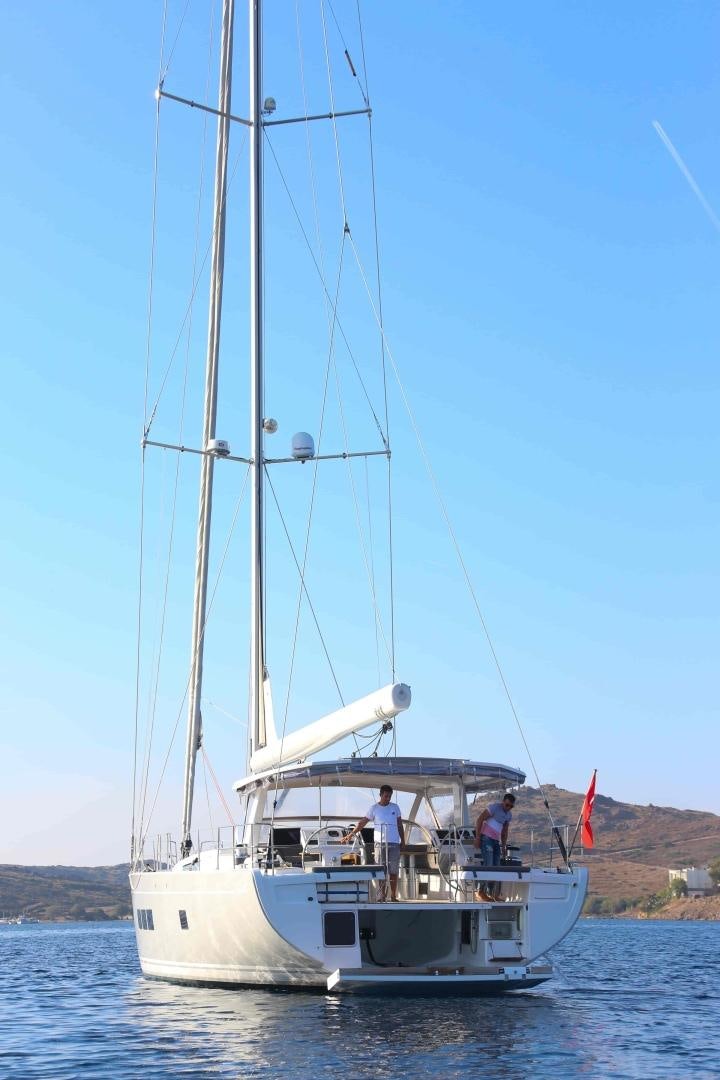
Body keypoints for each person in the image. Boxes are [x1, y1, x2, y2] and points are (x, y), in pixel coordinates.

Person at [343, 785, 405, 901]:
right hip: (379, 844)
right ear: (380, 795)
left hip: (394, 843)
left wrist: (403, 840)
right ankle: (381, 896)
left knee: (393, 871)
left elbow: (400, 825)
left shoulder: (395, 807)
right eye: (386, 796)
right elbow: (362, 823)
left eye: (390, 796)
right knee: (381, 870)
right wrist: (350, 834)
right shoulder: (374, 808)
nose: (388, 798)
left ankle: (393, 896)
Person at [473, 793, 516, 900]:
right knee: (489, 864)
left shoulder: (508, 815)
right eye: (507, 805)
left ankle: (491, 893)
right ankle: (480, 891)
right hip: (486, 838)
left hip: (496, 841)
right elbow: (480, 820)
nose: (508, 808)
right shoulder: (494, 808)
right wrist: (478, 838)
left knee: (497, 867)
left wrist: (504, 846)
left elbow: (504, 831)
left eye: (511, 806)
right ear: (503, 802)